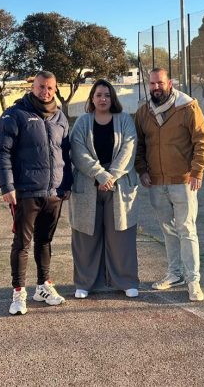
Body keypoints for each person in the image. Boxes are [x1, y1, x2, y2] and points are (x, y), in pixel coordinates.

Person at [0, 70, 73, 316]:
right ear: (32, 87)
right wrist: (7, 186)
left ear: (55, 88)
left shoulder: (60, 117)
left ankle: (43, 286)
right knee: (22, 244)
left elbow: (66, 154)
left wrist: (66, 185)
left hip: (54, 193)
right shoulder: (15, 115)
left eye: (50, 88)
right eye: (41, 87)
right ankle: (18, 292)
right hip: (26, 192)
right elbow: (1, 152)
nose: (45, 92)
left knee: (45, 241)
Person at [134, 68, 204, 302]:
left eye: (160, 83)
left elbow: (202, 140)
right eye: (152, 84)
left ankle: (193, 280)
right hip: (156, 182)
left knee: (187, 230)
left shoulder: (187, 107)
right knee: (167, 230)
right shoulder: (143, 112)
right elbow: (140, 145)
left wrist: (198, 170)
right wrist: (142, 170)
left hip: (183, 181)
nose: (156, 87)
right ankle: (174, 273)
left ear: (170, 83)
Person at [69, 79, 140, 299]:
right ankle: (85, 283)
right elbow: (78, 151)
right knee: (86, 236)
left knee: (121, 235)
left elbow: (129, 149)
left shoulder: (125, 120)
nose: (103, 99)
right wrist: (99, 174)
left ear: (113, 98)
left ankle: (126, 281)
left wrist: (110, 177)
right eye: (99, 95)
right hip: (87, 185)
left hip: (119, 187)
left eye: (107, 95)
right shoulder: (82, 122)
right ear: (92, 98)